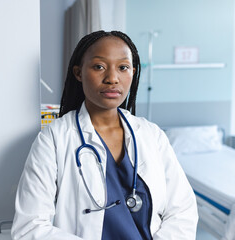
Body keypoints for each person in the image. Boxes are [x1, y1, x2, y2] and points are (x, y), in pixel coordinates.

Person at [11, 30, 198, 240]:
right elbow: (29, 227)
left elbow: (183, 211)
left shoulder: (151, 135)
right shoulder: (54, 139)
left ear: (133, 72)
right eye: (99, 67)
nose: (112, 78)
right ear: (78, 72)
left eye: (123, 67)